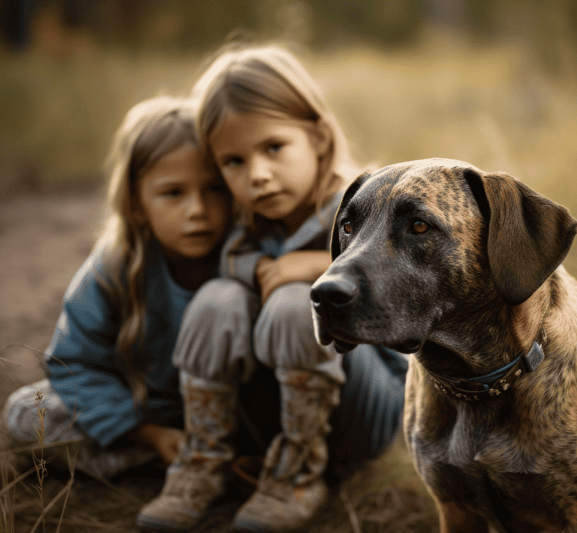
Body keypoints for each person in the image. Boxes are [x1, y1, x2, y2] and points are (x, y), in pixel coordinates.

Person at [136, 43, 407, 533]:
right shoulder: (249, 225)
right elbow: (238, 265)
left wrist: (312, 265)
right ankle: (203, 462)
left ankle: (299, 474)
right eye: (234, 163)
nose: (257, 175)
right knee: (217, 297)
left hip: (367, 406)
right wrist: (261, 268)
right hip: (283, 404)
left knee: (292, 302)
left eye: (273, 149)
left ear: (320, 139)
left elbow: (387, 277)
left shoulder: (359, 208)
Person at [1, 95, 232, 479]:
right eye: (174, 193)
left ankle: (211, 458)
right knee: (25, 413)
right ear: (137, 204)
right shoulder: (113, 268)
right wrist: (147, 433)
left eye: (214, 189)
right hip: (141, 409)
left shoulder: (246, 258)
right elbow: (73, 364)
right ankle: (157, 458)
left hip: (228, 411)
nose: (198, 209)